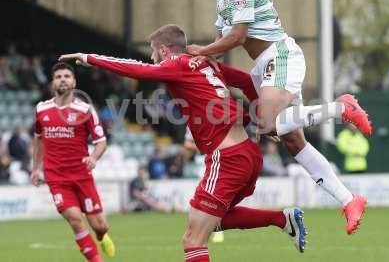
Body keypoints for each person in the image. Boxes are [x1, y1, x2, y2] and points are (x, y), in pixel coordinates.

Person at [59, 24, 308, 261]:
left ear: (164, 50)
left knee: (193, 240)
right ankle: (282, 219)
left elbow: (137, 69)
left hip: (228, 157)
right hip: (247, 153)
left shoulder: (176, 64)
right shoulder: (207, 65)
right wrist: (265, 118)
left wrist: (88, 57)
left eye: (154, 52)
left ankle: (282, 219)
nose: (153, 58)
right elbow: (246, 82)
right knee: (213, 221)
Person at [187, 0, 372, 235]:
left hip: (279, 55)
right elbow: (222, 41)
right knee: (292, 139)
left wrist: (201, 50)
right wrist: (200, 62)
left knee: (268, 123)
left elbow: (237, 36)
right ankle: (349, 200)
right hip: (264, 64)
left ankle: (342, 107)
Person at [31, 62, 115, 262]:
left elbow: (101, 141)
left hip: (81, 176)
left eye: (67, 76)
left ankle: (102, 237)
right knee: (76, 220)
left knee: (100, 225)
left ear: (74, 82)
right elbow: (38, 139)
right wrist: (35, 169)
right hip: (56, 177)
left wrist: (93, 157)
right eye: (58, 76)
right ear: (53, 83)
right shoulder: (42, 109)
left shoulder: (85, 109)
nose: (62, 79)